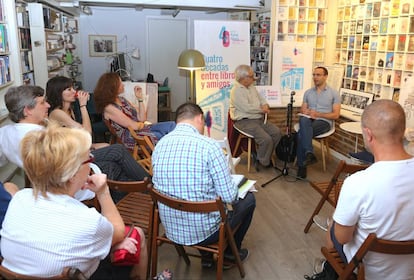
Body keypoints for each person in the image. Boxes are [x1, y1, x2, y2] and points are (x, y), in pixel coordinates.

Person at [0, 124, 148, 279]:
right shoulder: (88, 220)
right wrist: (103, 192)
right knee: (136, 234)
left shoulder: (20, 199)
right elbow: (117, 232)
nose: (91, 162)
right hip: (79, 274)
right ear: (72, 174)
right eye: (89, 158)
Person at [152, 102, 256, 269]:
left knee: (196, 195)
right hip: (205, 232)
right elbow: (229, 196)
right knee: (249, 199)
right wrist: (237, 186)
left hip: (171, 229)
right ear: (200, 118)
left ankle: (207, 257)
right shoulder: (210, 146)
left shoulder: (160, 145)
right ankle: (228, 254)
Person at [0, 85, 149, 201]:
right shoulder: (41, 137)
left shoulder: (5, 132)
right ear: (27, 111)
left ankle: (143, 196)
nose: (47, 105)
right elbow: (78, 151)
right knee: (115, 159)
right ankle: (151, 189)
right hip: (66, 182)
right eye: (42, 103)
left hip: (51, 180)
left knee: (115, 159)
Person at [323, 100, 414, 279]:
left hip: (369, 271)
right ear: (403, 131)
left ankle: (329, 271)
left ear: (368, 134)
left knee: (334, 227)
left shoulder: (358, 183)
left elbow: (342, 239)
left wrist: (335, 222)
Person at [94, 73, 175, 152]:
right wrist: (142, 124)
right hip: (133, 138)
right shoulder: (109, 107)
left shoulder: (122, 100)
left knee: (172, 125)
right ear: (113, 87)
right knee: (166, 136)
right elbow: (134, 126)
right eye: (120, 83)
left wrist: (139, 98)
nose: (123, 84)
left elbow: (142, 118)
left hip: (143, 130)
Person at [229, 64, 281, 171]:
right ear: (244, 78)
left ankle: (262, 157)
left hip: (257, 119)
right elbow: (247, 108)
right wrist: (262, 109)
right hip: (244, 121)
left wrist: (265, 104)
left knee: (277, 133)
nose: (254, 78)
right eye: (251, 76)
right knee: (266, 139)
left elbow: (261, 99)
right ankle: (263, 160)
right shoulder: (236, 91)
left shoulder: (251, 87)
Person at [296, 66, 341, 179]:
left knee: (302, 133)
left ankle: (302, 166)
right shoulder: (308, 92)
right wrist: (305, 111)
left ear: (325, 76)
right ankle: (309, 153)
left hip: (324, 121)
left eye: (318, 75)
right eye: (314, 75)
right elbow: (303, 109)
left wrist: (318, 114)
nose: (315, 77)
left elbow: (336, 115)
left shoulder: (334, 93)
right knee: (303, 120)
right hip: (308, 119)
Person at [45, 76, 108, 150]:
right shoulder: (57, 113)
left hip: (76, 146)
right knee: (111, 149)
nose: (74, 92)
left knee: (107, 146)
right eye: (69, 89)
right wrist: (83, 105)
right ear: (58, 93)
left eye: (73, 88)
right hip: (66, 151)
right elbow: (87, 133)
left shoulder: (70, 109)